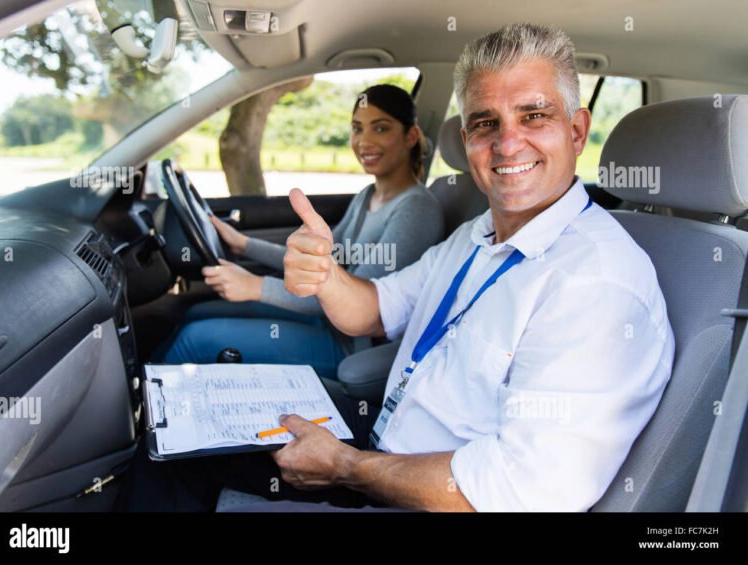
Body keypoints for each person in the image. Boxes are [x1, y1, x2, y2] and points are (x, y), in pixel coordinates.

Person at [118, 23, 674, 512]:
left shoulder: (596, 282)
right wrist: (327, 277)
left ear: (576, 131)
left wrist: (345, 467)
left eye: (534, 116)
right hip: (383, 441)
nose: (508, 142)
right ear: (467, 140)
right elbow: (377, 308)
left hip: (429, 494)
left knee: (173, 467)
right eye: (486, 123)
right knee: (176, 441)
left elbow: (512, 491)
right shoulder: (475, 236)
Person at [156, 84, 445, 379]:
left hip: (352, 346)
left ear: (411, 136)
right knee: (195, 314)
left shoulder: (417, 209)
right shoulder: (367, 196)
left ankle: (143, 402)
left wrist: (255, 286)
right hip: (324, 319)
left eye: (381, 128)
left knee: (194, 339)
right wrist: (244, 244)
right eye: (357, 129)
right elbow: (322, 263)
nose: (364, 141)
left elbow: (351, 297)